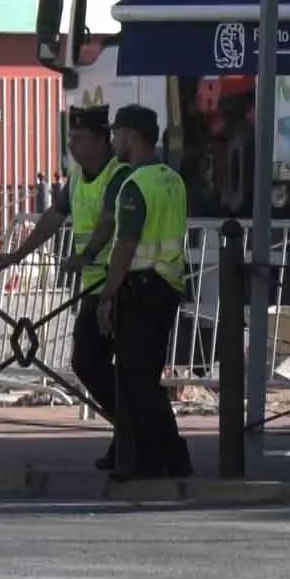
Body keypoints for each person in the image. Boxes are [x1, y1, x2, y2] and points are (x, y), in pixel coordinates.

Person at [0, 106, 129, 470]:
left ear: (102, 139)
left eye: (79, 138)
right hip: (94, 287)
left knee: (123, 368)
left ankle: (134, 435)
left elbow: (108, 222)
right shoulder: (79, 176)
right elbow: (55, 216)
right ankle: (130, 429)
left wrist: (84, 256)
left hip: (122, 284)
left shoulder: (119, 175)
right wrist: (17, 254)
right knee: (86, 362)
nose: (71, 145)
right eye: (70, 138)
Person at [98, 103, 193, 481]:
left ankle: (157, 459)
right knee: (145, 377)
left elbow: (124, 247)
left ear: (133, 137)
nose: (114, 140)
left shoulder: (133, 185)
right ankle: (165, 458)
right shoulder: (173, 179)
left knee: (137, 379)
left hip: (141, 289)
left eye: (117, 133)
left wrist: (107, 297)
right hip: (168, 287)